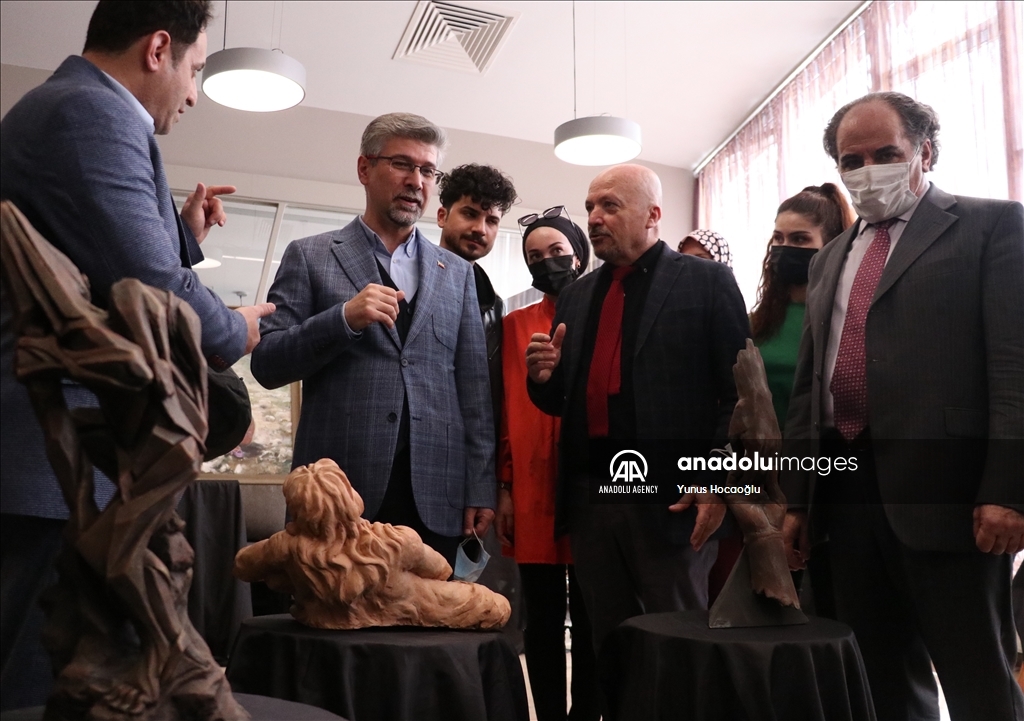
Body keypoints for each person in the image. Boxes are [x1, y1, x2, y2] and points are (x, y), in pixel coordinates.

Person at [0, 1, 273, 707]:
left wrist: (182, 236)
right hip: (54, 463)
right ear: (158, 49)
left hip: (54, 463)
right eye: (196, 69)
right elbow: (151, 286)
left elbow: (106, 264)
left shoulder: (69, 108)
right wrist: (233, 329)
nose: (193, 93)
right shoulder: (91, 113)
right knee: (43, 692)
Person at [782, 92, 1024, 721]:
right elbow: (809, 387)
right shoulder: (829, 257)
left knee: (979, 684)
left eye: (885, 154)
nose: (868, 171)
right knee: (877, 684)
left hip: (952, 498)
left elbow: (1014, 367)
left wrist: (1009, 490)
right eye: (851, 160)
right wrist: (797, 501)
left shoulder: (994, 225)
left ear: (926, 152)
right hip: (843, 496)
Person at [250, 113, 496, 568]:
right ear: (365, 168)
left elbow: (474, 391)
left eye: (427, 170)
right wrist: (342, 319)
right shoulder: (310, 256)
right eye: (402, 164)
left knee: (431, 611)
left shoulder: (458, 274)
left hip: (436, 493)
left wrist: (480, 486)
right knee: (330, 610)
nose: (416, 181)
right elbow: (267, 363)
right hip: (339, 493)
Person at [526, 165, 750, 656]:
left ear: (653, 215)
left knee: (679, 648)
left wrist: (719, 481)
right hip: (592, 498)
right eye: (590, 207)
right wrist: (542, 378)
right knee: (610, 648)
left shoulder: (707, 282)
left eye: (610, 206)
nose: (594, 218)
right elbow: (562, 400)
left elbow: (742, 397)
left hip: (672, 501)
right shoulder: (577, 296)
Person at [496, 207, 598, 721]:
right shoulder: (514, 326)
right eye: (535, 256)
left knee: (593, 618)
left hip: (593, 487)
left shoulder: (605, 316)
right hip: (533, 486)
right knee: (540, 618)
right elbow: (503, 410)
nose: (547, 262)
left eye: (557, 251)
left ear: (579, 254)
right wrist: (505, 486)